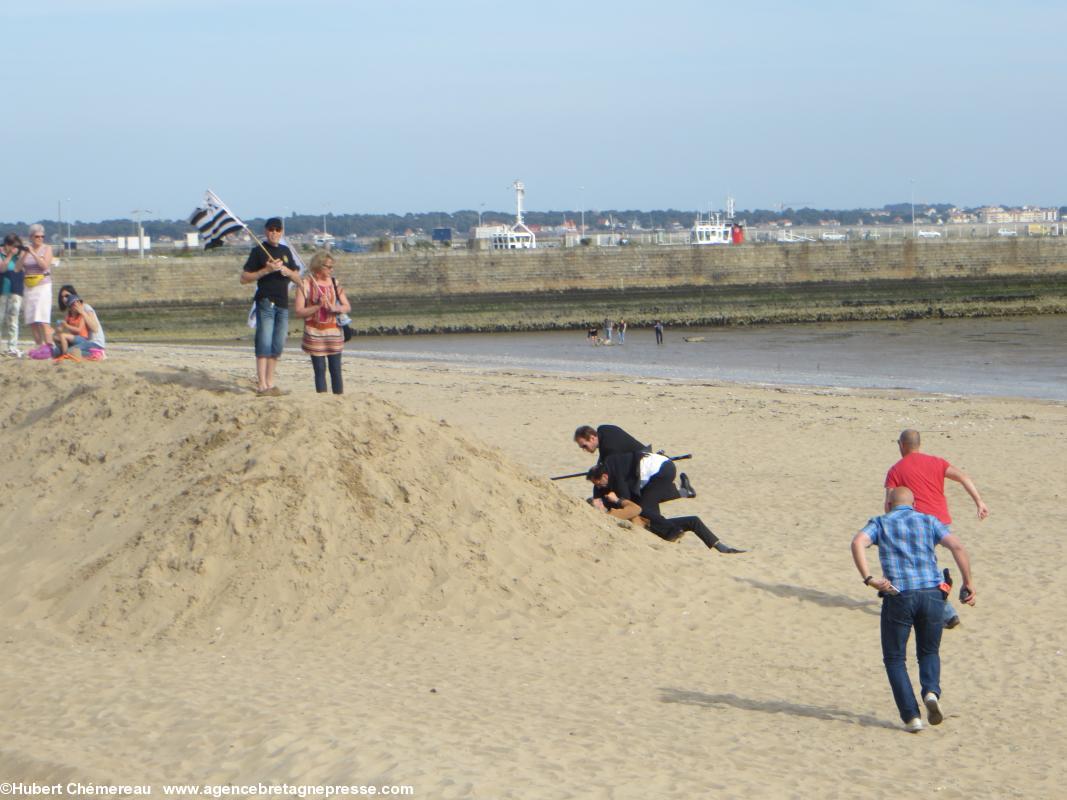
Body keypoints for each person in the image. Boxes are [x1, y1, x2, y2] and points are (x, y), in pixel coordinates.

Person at [851, 487, 976, 733]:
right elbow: (957, 546)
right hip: (932, 594)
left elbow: (857, 542)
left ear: (888, 504)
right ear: (914, 503)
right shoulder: (929, 521)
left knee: (895, 658)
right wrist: (968, 582)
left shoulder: (880, 523)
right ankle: (930, 691)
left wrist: (869, 578)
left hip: (899, 594)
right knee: (929, 651)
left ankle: (912, 717)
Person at [885, 429, 989, 629]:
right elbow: (964, 477)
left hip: (917, 526)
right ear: (919, 444)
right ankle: (967, 584)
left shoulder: (896, 470)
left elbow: (889, 504)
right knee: (953, 550)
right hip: (941, 521)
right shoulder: (937, 462)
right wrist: (979, 502)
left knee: (922, 569)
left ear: (901, 445)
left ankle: (948, 614)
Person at [586, 459, 743, 554]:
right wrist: (618, 501)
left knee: (694, 520)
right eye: (596, 503)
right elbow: (635, 510)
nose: (599, 500)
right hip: (651, 528)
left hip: (654, 522)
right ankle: (682, 495)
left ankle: (721, 547)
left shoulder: (611, 507)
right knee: (648, 505)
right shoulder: (611, 515)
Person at [240, 217, 301, 396]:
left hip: (282, 303)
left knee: (277, 344)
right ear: (266, 231)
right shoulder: (258, 251)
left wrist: (287, 271)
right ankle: (262, 384)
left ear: (281, 232)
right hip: (265, 301)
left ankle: (271, 382)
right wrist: (266, 270)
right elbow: (244, 278)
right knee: (264, 341)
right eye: (271, 229)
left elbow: (298, 279)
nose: (274, 233)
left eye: (277, 229)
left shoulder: (285, 251)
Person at [574, 423, 695, 497]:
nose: (584, 449)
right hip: (644, 456)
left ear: (592, 437)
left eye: (584, 445)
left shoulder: (610, 451)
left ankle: (683, 491)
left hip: (642, 465)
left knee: (640, 499)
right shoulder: (604, 429)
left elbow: (609, 473)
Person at [293, 251, 350, 394]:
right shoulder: (306, 284)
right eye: (328, 267)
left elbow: (347, 306)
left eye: (332, 267)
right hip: (314, 332)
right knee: (319, 370)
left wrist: (336, 308)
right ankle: (322, 398)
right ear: (318, 266)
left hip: (333, 331)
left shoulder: (334, 283)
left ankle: (338, 398)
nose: (331, 270)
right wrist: (317, 306)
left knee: (336, 369)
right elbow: (299, 311)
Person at [17, 224, 53, 352]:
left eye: (42, 236)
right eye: (37, 236)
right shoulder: (25, 250)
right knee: (32, 319)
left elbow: (44, 265)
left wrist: (33, 252)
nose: (40, 239)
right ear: (31, 237)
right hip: (29, 286)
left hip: (43, 285)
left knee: (43, 318)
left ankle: (49, 346)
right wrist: (25, 254)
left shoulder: (47, 248)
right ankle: (39, 346)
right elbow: (18, 268)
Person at [53, 290, 106, 358]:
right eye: (62, 297)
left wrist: (82, 312)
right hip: (83, 342)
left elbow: (95, 328)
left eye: (67, 296)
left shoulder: (86, 308)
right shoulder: (71, 313)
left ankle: (97, 354)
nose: (64, 299)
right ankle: (87, 354)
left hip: (95, 343)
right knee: (56, 352)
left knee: (70, 352)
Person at [1, 234, 25, 356]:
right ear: (6, 244)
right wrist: (9, 255)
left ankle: (12, 346)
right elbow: (2, 268)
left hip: (15, 290)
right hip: (2, 290)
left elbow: (18, 268)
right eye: (12, 245)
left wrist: (23, 254)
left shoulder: (18, 256)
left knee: (13, 319)